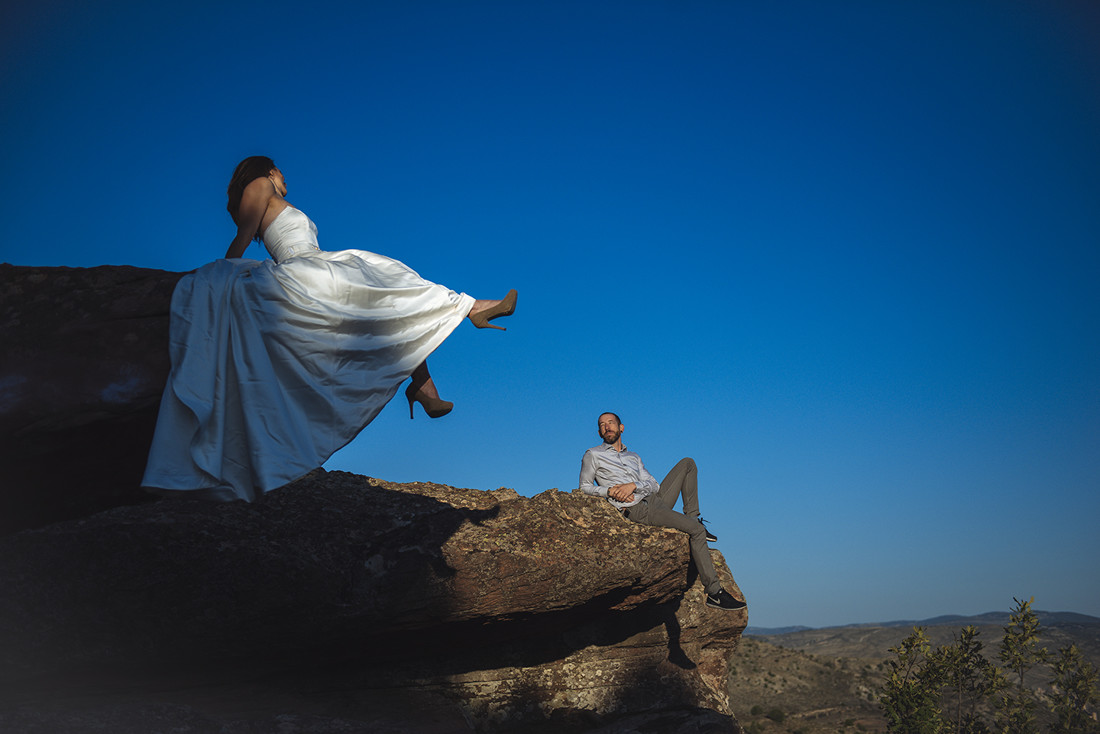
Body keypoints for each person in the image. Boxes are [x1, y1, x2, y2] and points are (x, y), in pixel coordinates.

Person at [142, 156, 516, 501]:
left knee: (382, 300)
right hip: (301, 271)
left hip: (315, 266)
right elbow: (243, 235)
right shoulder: (259, 185)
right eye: (282, 172)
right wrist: (224, 277)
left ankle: (424, 383)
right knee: (382, 286)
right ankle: (468, 313)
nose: (286, 178)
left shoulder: (269, 191)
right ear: (270, 170)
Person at [578, 412, 746, 611]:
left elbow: (654, 485)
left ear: (621, 427)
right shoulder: (593, 454)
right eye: (602, 425)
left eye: (611, 423)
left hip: (653, 499)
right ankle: (715, 594)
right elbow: (584, 487)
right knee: (696, 532)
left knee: (688, 463)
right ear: (599, 432)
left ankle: (693, 517)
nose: (607, 427)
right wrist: (610, 490)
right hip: (638, 509)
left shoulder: (634, 456)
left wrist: (633, 485)